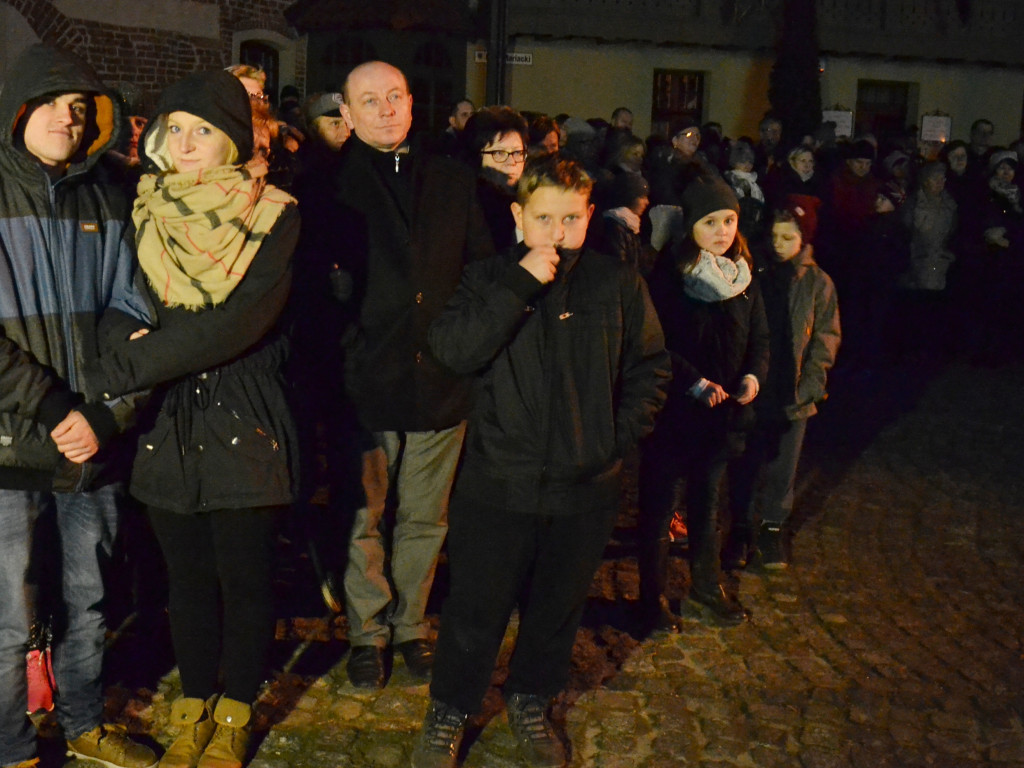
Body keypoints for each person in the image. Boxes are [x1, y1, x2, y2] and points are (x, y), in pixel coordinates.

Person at [411, 155, 669, 768]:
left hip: (586, 485)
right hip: (499, 480)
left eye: (571, 218)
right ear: (518, 215)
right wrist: (519, 285)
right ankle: (450, 709)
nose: (557, 231)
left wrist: (610, 440)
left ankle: (531, 698)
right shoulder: (487, 278)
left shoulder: (616, 282)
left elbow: (650, 369)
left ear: (589, 217)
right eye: (544, 217)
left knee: (556, 607)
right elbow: (453, 350)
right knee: (476, 607)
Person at [90, 69, 299, 768]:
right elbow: (117, 305)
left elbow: (237, 325)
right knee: (185, 581)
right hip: (168, 424)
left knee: (244, 579)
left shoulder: (274, 215)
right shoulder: (142, 211)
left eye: (202, 130)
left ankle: (234, 712)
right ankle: (194, 707)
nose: (183, 143)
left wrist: (128, 364)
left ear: (231, 141)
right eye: (173, 128)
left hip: (245, 416)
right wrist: (120, 341)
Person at [0, 44, 157, 768]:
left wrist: (107, 414)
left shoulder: (108, 196)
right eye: (55, 102)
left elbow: (137, 313)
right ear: (19, 107)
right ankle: (12, 747)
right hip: (10, 439)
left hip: (90, 441)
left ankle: (85, 722)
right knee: (7, 615)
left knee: (88, 600)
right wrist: (52, 405)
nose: (69, 117)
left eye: (81, 106)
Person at [330, 61, 495, 689]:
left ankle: (410, 625)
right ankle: (367, 631)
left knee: (425, 518)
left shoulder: (452, 178)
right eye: (370, 100)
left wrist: (462, 349)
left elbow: (479, 270)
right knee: (363, 518)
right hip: (364, 382)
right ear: (347, 113)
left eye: (395, 96)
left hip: (440, 381)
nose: (386, 109)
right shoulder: (327, 185)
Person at [637, 176, 768, 630]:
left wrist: (752, 376)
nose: (722, 231)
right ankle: (651, 598)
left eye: (729, 220)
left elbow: (760, 337)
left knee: (707, 505)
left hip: (721, 418)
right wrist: (692, 382)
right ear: (690, 226)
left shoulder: (743, 276)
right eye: (710, 222)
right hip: (674, 414)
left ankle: (705, 589)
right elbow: (654, 342)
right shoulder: (670, 277)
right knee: (659, 506)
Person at [726, 199, 840, 569]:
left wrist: (812, 383)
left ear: (803, 239)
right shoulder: (754, 273)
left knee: (782, 469)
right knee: (745, 461)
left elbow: (825, 337)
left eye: (788, 237)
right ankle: (739, 529)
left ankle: (772, 530)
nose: (779, 244)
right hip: (756, 386)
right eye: (774, 236)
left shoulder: (817, 283)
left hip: (793, 392)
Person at [460, 106, 530, 252]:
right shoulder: (467, 207)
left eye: (517, 152)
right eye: (499, 153)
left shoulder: (532, 199)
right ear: (476, 156)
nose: (511, 162)